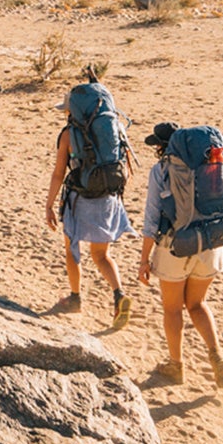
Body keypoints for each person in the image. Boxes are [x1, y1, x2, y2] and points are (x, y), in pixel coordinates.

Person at [136, 122, 223, 388]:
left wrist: (144, 260)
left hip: (175, 245)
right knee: (197, 304)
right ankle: (217, 355)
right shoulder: (212, 167)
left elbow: (151, 219)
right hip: (210, 243)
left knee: (172, 309)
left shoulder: (161, 171)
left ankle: (175, 365)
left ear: (163, 147)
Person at [45, 69, 133, 325]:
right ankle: (119, 295)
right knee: (101, 255)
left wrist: (49, 205)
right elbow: (126, 169)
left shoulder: (67, 135)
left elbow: (58, 173)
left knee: (72, 248)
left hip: (80, 198)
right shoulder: (115, 128)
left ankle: (75, 298)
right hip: (108, 197)